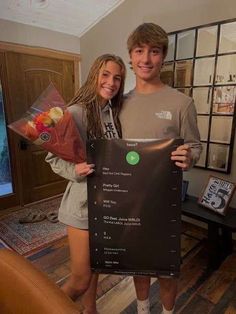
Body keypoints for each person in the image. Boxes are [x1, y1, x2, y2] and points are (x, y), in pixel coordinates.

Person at [119, 23, 202, 314]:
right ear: (130, 56)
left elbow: (194, 145)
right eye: (139, 51)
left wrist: (189, 157)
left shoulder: (182, 103)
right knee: (138, 262)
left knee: (167, 268)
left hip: (165, 203)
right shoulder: (119, 103)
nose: (146, 59)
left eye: (154, 51)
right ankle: (143, 309)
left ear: (162, 56)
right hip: (130, 201)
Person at [46, 54, 126, 314]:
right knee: (80, 279)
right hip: (82, 208)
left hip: (106, 205)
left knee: (96, 266)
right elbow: (52, 158)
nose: (111, 82)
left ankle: (90, 310)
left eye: (117, 77)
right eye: (105, 74)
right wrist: (76, 170)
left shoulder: (113, 114)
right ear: (94, 75)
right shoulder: (75, 112)